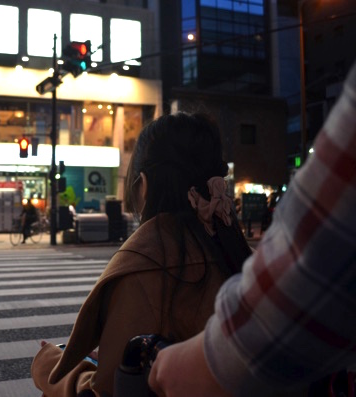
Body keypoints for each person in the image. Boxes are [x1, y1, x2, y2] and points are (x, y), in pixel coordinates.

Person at [148, 62, 356, 397]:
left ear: (144, 182)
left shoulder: (141, 258)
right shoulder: (232, 248)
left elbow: (322, 258)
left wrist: (56, 372)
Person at [31, 112, 252, 396]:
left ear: (143, 184)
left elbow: (110, 391)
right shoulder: (248, 259)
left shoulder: (144, 271)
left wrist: (49, 368)